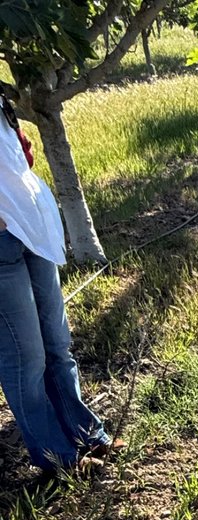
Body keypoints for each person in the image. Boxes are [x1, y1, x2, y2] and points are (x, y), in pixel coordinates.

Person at [0, 95, 115, 472]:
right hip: (4, 239)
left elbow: (19, 157)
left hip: (32, 229)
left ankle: (85, 436)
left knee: (56, 344)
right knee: (25, 357)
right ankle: (57, 459)